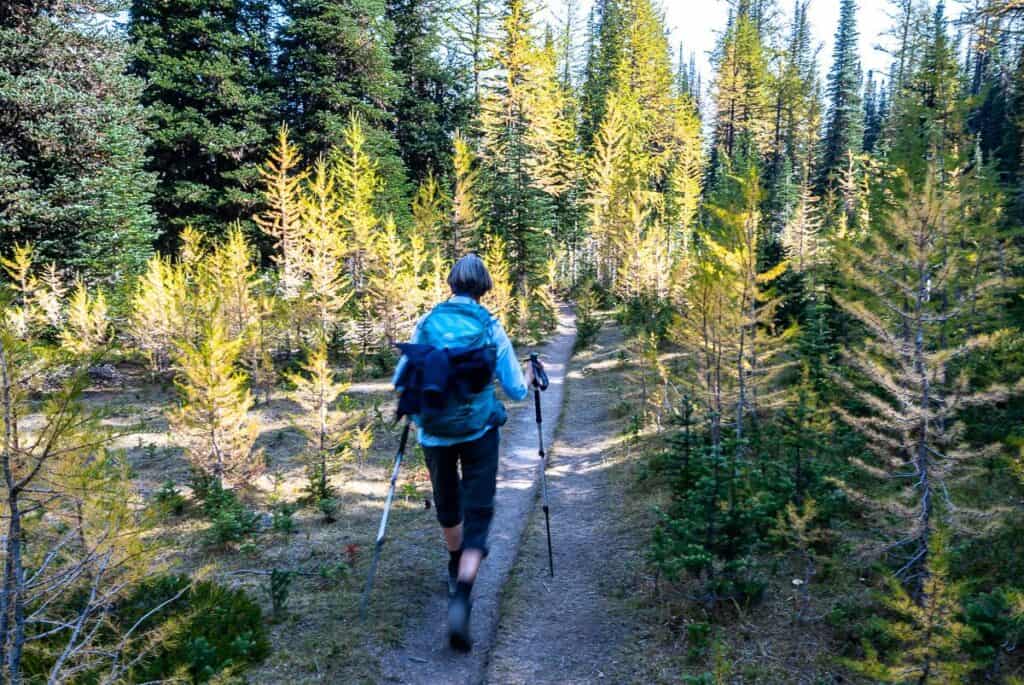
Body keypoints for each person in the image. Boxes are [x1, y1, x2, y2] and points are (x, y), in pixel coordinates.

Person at [392, 253, 539, 652]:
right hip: (478, 432)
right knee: (479, 513)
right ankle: (463, 592)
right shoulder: (490, 326)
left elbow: (400, 377)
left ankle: (454, 565)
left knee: (448, 505)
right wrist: (528, 374)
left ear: (451, 282)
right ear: (484, 287)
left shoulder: (427, 322)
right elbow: (515, 390)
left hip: (435, 433)